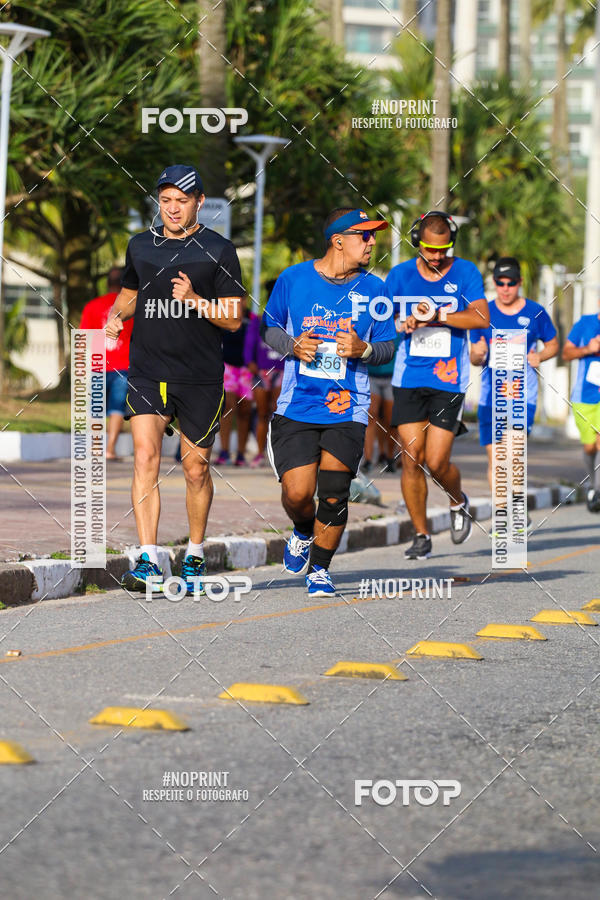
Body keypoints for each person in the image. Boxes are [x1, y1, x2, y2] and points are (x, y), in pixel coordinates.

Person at [105, 164, 243, 592]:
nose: (173, 208)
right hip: (147, 370)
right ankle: (148, 559)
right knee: (144, 457)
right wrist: (115, 316)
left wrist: (196, 300)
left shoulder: (219, 250)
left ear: (199, 202)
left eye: (181, 201)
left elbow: (234, 320)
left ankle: (196, 555)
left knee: (195, 469)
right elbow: (131, 292)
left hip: (200, 377)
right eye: (165, 200)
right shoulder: (141, 245)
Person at [262, 207, 396, 596]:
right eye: (365, 236)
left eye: (374, 236)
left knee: (335, 491)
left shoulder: (376, 289)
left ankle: (319, 569)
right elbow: (269, 328)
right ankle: (303, 530)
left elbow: (389, 346)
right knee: (298, 494)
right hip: (298, 404)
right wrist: (292, 345)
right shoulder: (294, 278)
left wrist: (365, 348)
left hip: (348, 407)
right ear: (339, 240)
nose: (372, 243)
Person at [385, 210, 489, 560]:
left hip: (449, 379)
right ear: (418, 244)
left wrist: (438, 315)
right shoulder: (399, 275)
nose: (437, 257)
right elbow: (381, 318)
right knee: (411, 459)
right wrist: (402, 323)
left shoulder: (465, 272)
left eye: (443, 250)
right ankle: (421, 534)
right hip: (408, 377)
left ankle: (458, 501)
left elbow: (480, 316)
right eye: (430, 250)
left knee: (436, 461)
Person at [470, 257, 558, 506]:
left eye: (510, 283)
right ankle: (502, 514)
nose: (505, 288)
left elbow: (553, 344)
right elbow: (475, 356)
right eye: (500, 282)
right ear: (495, 283)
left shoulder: (535, 312)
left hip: (522, 397)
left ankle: (517, 505)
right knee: (496, 459)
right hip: (491, 398)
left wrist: (539, 355)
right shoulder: (481, 313)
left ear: (519, 282)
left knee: (513, 454)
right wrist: (477, 354)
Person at [80, 266, 132, 460]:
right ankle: (109, 450)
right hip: (124, 366)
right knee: (117, 408)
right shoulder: (131, 306)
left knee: (95, 408)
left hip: (98, 365)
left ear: (107, 283)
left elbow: (85, 336)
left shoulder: (92, 305)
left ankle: (95, 449)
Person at [562, 301, 600, 512]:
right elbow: (566, 354)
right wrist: (589, 348)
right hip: (584, 397)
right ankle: (593, 485)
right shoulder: (585, 324)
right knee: (589, 446)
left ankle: (597, 490)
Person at [244, 283, 284, 467]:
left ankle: (278, 454)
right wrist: (250, 363)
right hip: (261, 373)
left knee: (279, 414)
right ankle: (260, 453)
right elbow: (249, 345)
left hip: (281, 371)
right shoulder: (259, 320)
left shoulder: (288, 320)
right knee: (262, 414)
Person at [216, 303, 253, 467]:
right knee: (227, 408)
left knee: (245, 411)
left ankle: (241, 453)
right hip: (228, 367)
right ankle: (224, 451)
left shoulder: (252, 319)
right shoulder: (222, 315)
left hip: (247, 369)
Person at [363, 332, 402, 474]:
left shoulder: (401, 325)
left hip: (392, 377)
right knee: (371, 416)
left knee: (390, 419)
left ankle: (389, 456)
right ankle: (368, 459)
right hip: (371, 375)